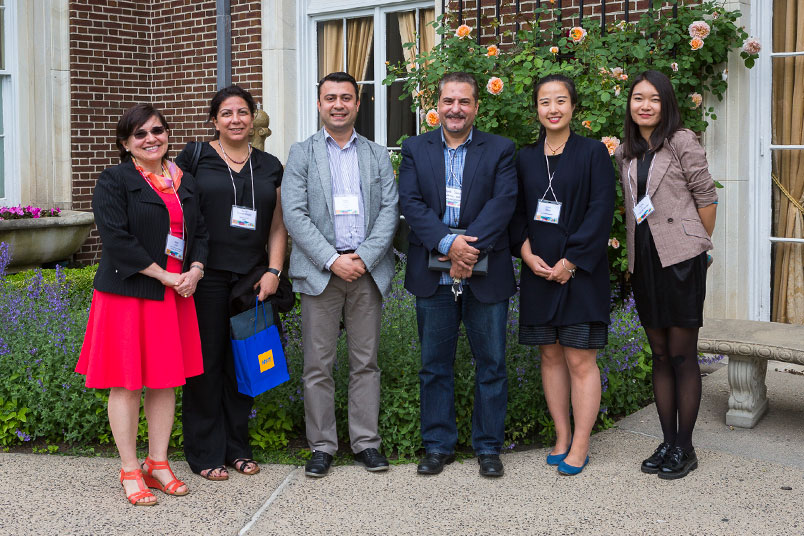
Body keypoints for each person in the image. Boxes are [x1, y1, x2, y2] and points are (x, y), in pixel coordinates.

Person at [76, 104, 208, 505]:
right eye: (140, 134)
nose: (151, 139)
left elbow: (199, 231)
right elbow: (116, 239)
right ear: (125, 143)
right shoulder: (115, 179)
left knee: (166, 379)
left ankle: (158, 462)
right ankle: (130, 469)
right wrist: (165, 275)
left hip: (176, 291)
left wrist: (196, 269)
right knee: (127, 381)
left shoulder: (183, 179)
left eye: (158, 130)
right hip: (129, 293)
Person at [398, 72, 517, 478]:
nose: (455, 109)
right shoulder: (415, 148)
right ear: (438, 105)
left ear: (476, 107)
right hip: (433, 273)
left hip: (486, 272)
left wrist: (467, 250)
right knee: (434, 365)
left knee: (492, 365)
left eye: (464, 102)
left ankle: (488, 447)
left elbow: (503, 203)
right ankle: (437, 445)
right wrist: (449, 247)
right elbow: (411, 204)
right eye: (449, 101)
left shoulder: (500, 149)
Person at [282, 72, 399, 478]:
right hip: (321, 272)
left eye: (345, 98)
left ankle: (366, 442)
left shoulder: (377, 153)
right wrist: (333, 260)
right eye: (330, 97)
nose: (337, 104)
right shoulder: (302, 153)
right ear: (319, 104)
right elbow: (294, 214)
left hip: (367, 271)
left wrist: (363, 258)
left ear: (357, 104)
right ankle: (322, 446)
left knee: (365, 362)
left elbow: (389, 209)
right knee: (318, 364)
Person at [175, 85, 287, 481]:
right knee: (204, 364)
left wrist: (273, 271)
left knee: (244, 364)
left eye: (243, 112)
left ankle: (238, 447)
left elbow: (278, 225)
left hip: (252, 279)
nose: (236, 119)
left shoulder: (270, 165)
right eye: (226, 113)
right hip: (204, 275)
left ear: (253, 117)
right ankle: (205, 451)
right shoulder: (194, 157)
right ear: (214, 120)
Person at [509, 74, 615, 476]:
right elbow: (516, 213)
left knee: (579, 359)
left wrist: (570, 262)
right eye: (544, 102)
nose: (552, 109)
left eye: (560, 101)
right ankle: (561, 435)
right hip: (537, 270)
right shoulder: (525, 158)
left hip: (581, 273)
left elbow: (600, 211)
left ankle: (582, 444)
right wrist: (525, 253)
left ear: (573, 106)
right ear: (535, 108)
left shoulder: (592, 154)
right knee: (550, 355)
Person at [615, 70, 717, 480]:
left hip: (681, 261)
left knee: (681, 354)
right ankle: (667, 440)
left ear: (666, 103)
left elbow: (706, 197)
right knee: (658, 355)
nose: (645, 105)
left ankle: (685, 447)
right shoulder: (625, 151)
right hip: (644, 263)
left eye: (653, 98)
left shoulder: (681, 141)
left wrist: (694, 245)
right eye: (638, 98)